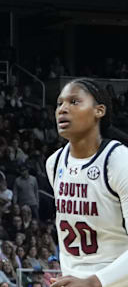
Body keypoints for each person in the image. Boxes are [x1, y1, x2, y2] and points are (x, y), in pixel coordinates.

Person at [46, 78, 128, 287]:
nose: (63, 109)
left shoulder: (119, 161)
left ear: (99, 111)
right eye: (59, 103)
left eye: (74, 102)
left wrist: (93, 281)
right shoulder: (54, 163)